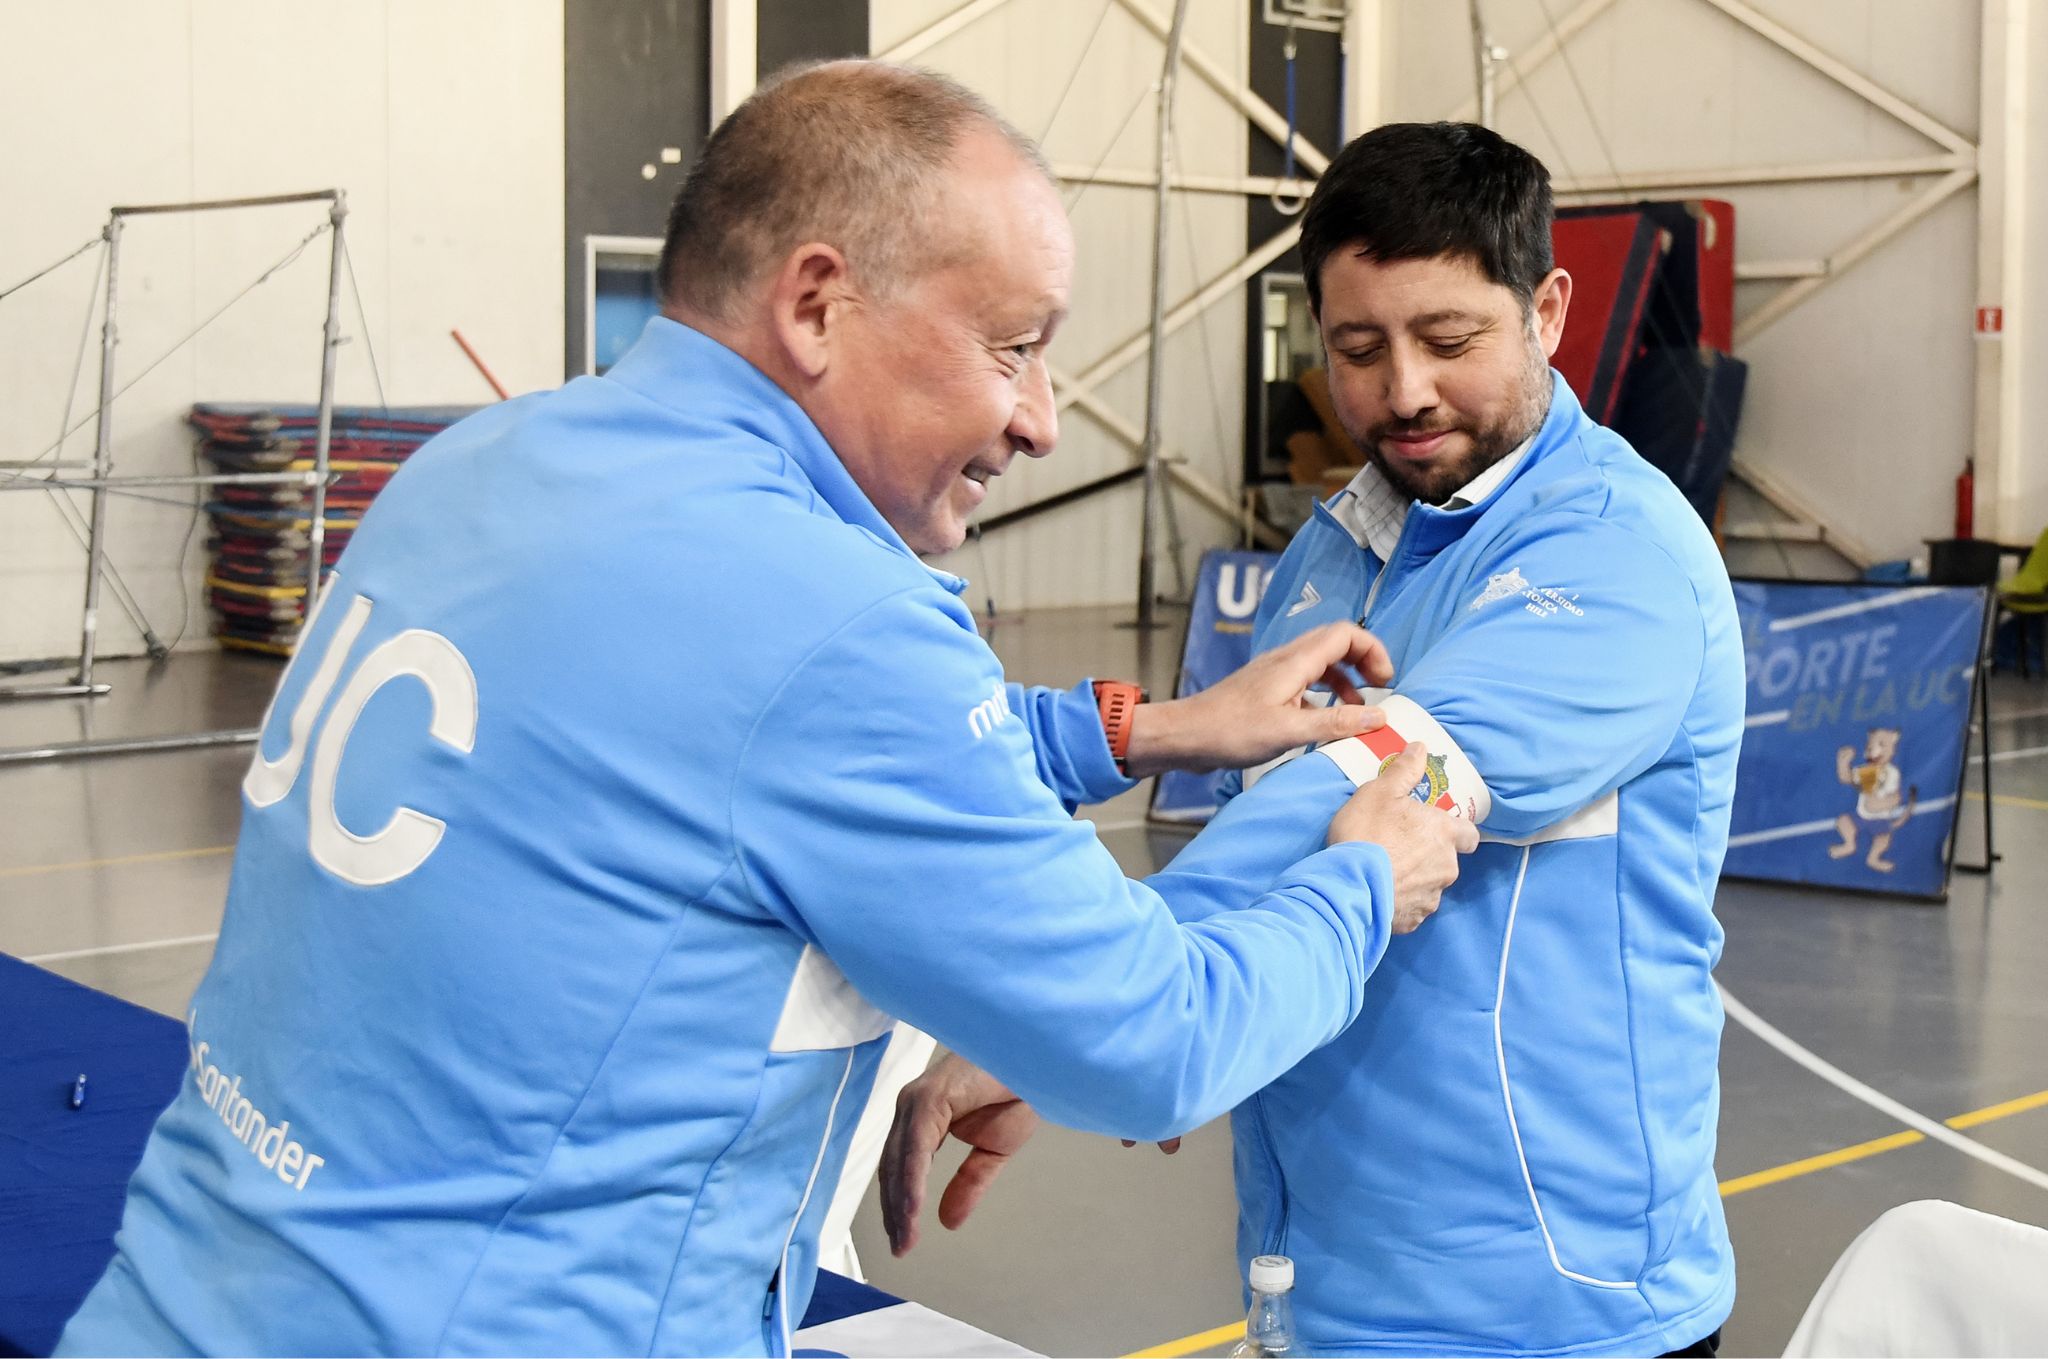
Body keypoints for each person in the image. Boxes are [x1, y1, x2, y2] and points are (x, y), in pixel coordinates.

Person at [55, 65, 1479, 1358]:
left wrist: (1152, 730)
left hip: (185, 1296)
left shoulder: (479, 463)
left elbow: (730, 752)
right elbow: (1157, 1037)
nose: (1042, 417)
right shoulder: (833, 612)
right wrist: (1368, 875)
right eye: (1014, 346)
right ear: (815, 304)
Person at [885, 121, 1745, 1358]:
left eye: (1449, 341)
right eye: (1357, 348)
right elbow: (1265, 832)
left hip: (1546, 1301)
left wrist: (1086, 1010)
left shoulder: (1615, 561)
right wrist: (1134, 1034)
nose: (1401, 391)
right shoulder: (1340, 542)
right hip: (1324, 1266)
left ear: (1546, 311)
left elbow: (1370, 787)